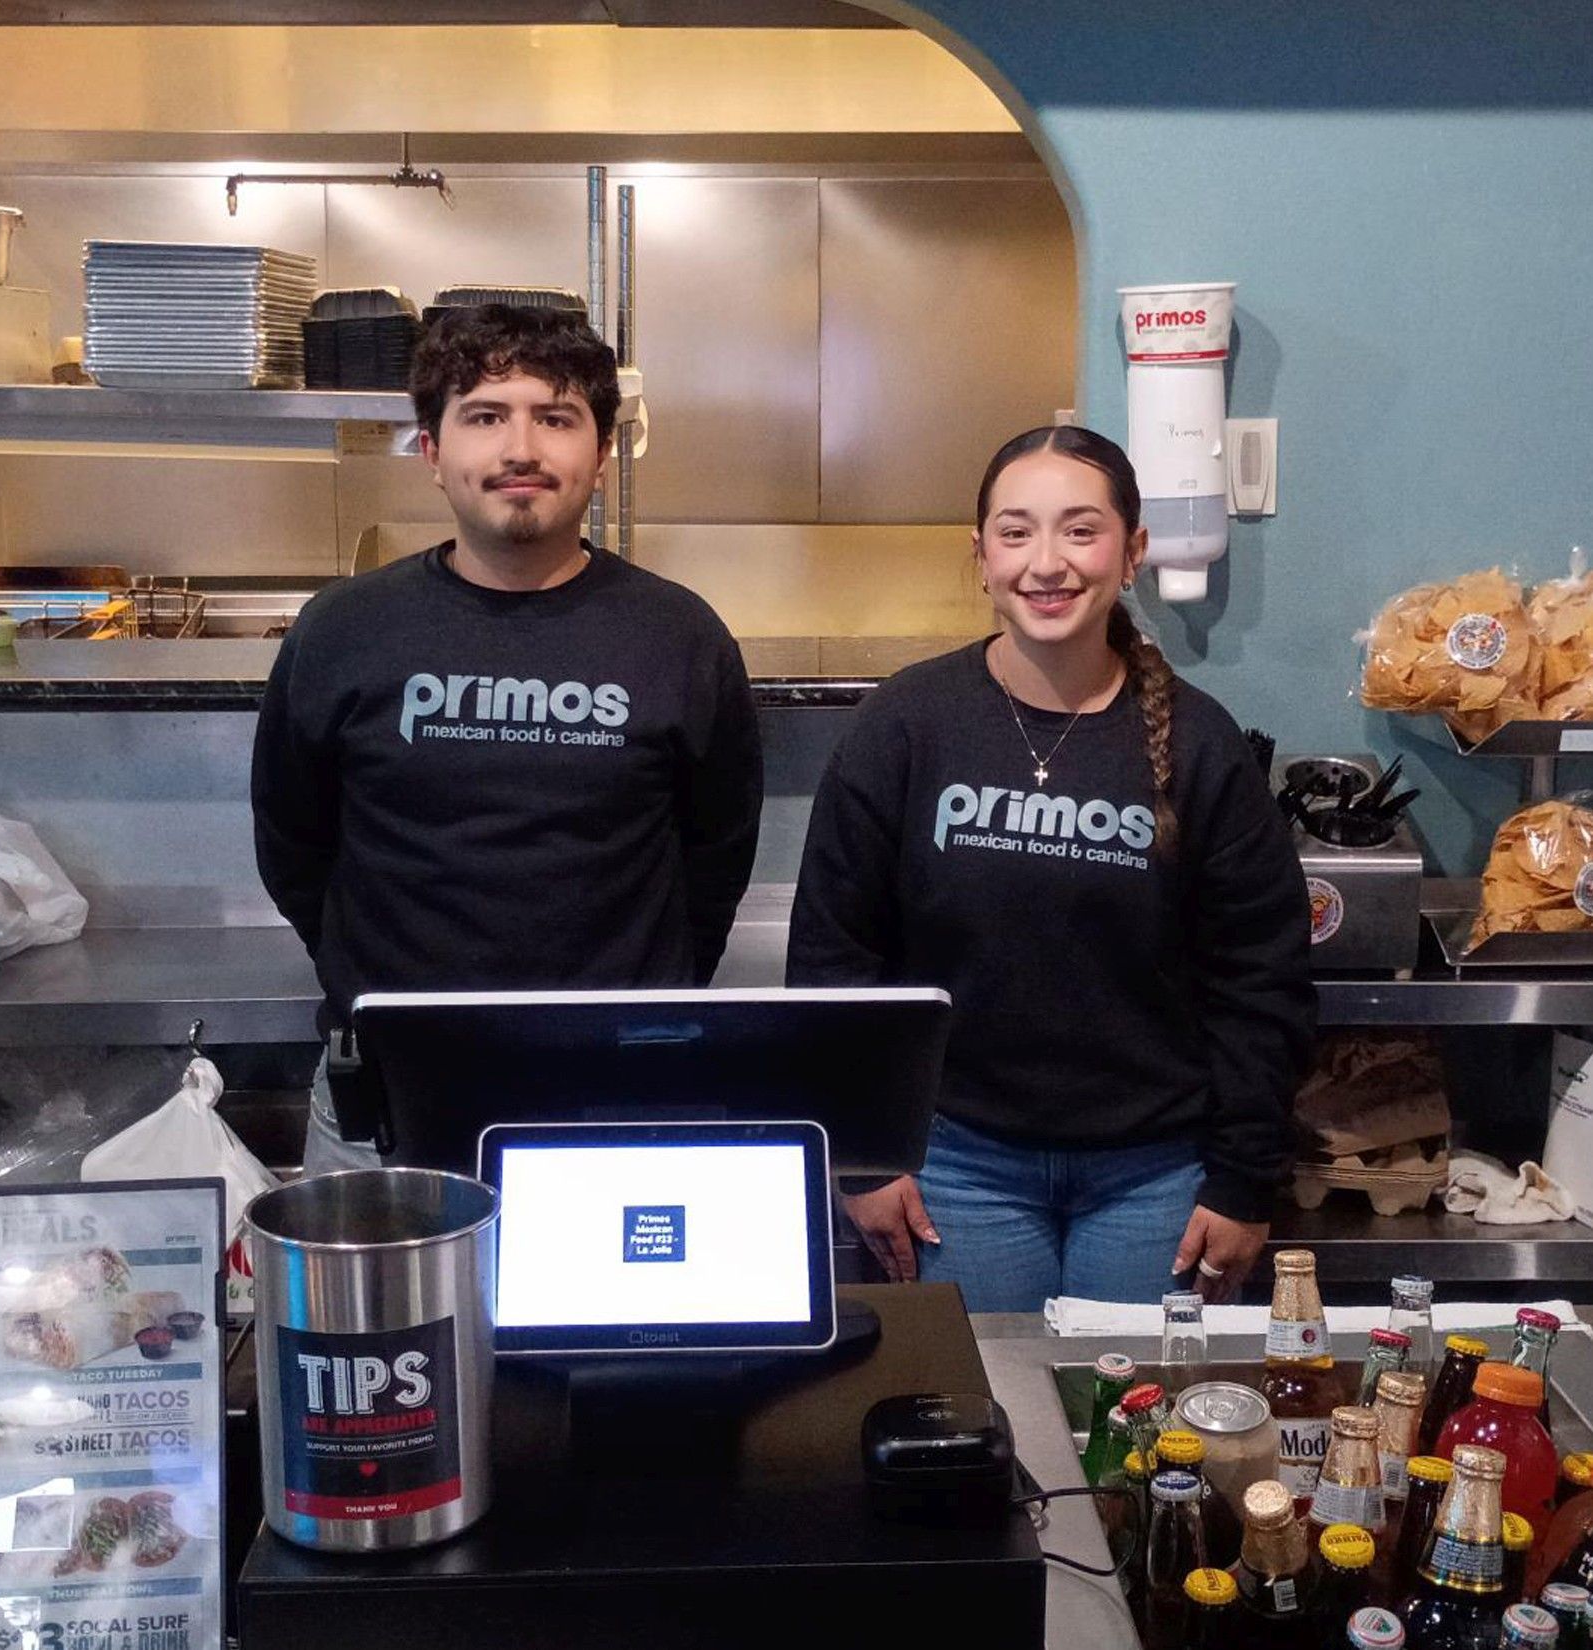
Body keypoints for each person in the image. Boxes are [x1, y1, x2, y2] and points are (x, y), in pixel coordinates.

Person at [786, 425, 1313, 1306]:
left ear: (1133, 552)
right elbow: (833, 958)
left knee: (1132, 1397)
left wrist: (1244, 1178)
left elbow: (1261, 980)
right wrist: (862, 1156)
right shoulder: (906, 725)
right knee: (986, 1393)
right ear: (981, 555)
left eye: (1081, 530)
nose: (1046, 563)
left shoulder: (1203, 744)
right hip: (955, 1165)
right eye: (1016, 531)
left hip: (1156, 1176)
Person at [253, 304, 763, 1172]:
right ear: (431, 451)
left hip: (613, 1098)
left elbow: (715, 855)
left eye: (555, 419)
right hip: (387, 1102)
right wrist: (367, 982)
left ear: (601, 454)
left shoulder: (679, 637)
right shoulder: (343, 630)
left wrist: (645, 1005)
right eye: (485, 416)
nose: (520, 449)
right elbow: (293, 842)